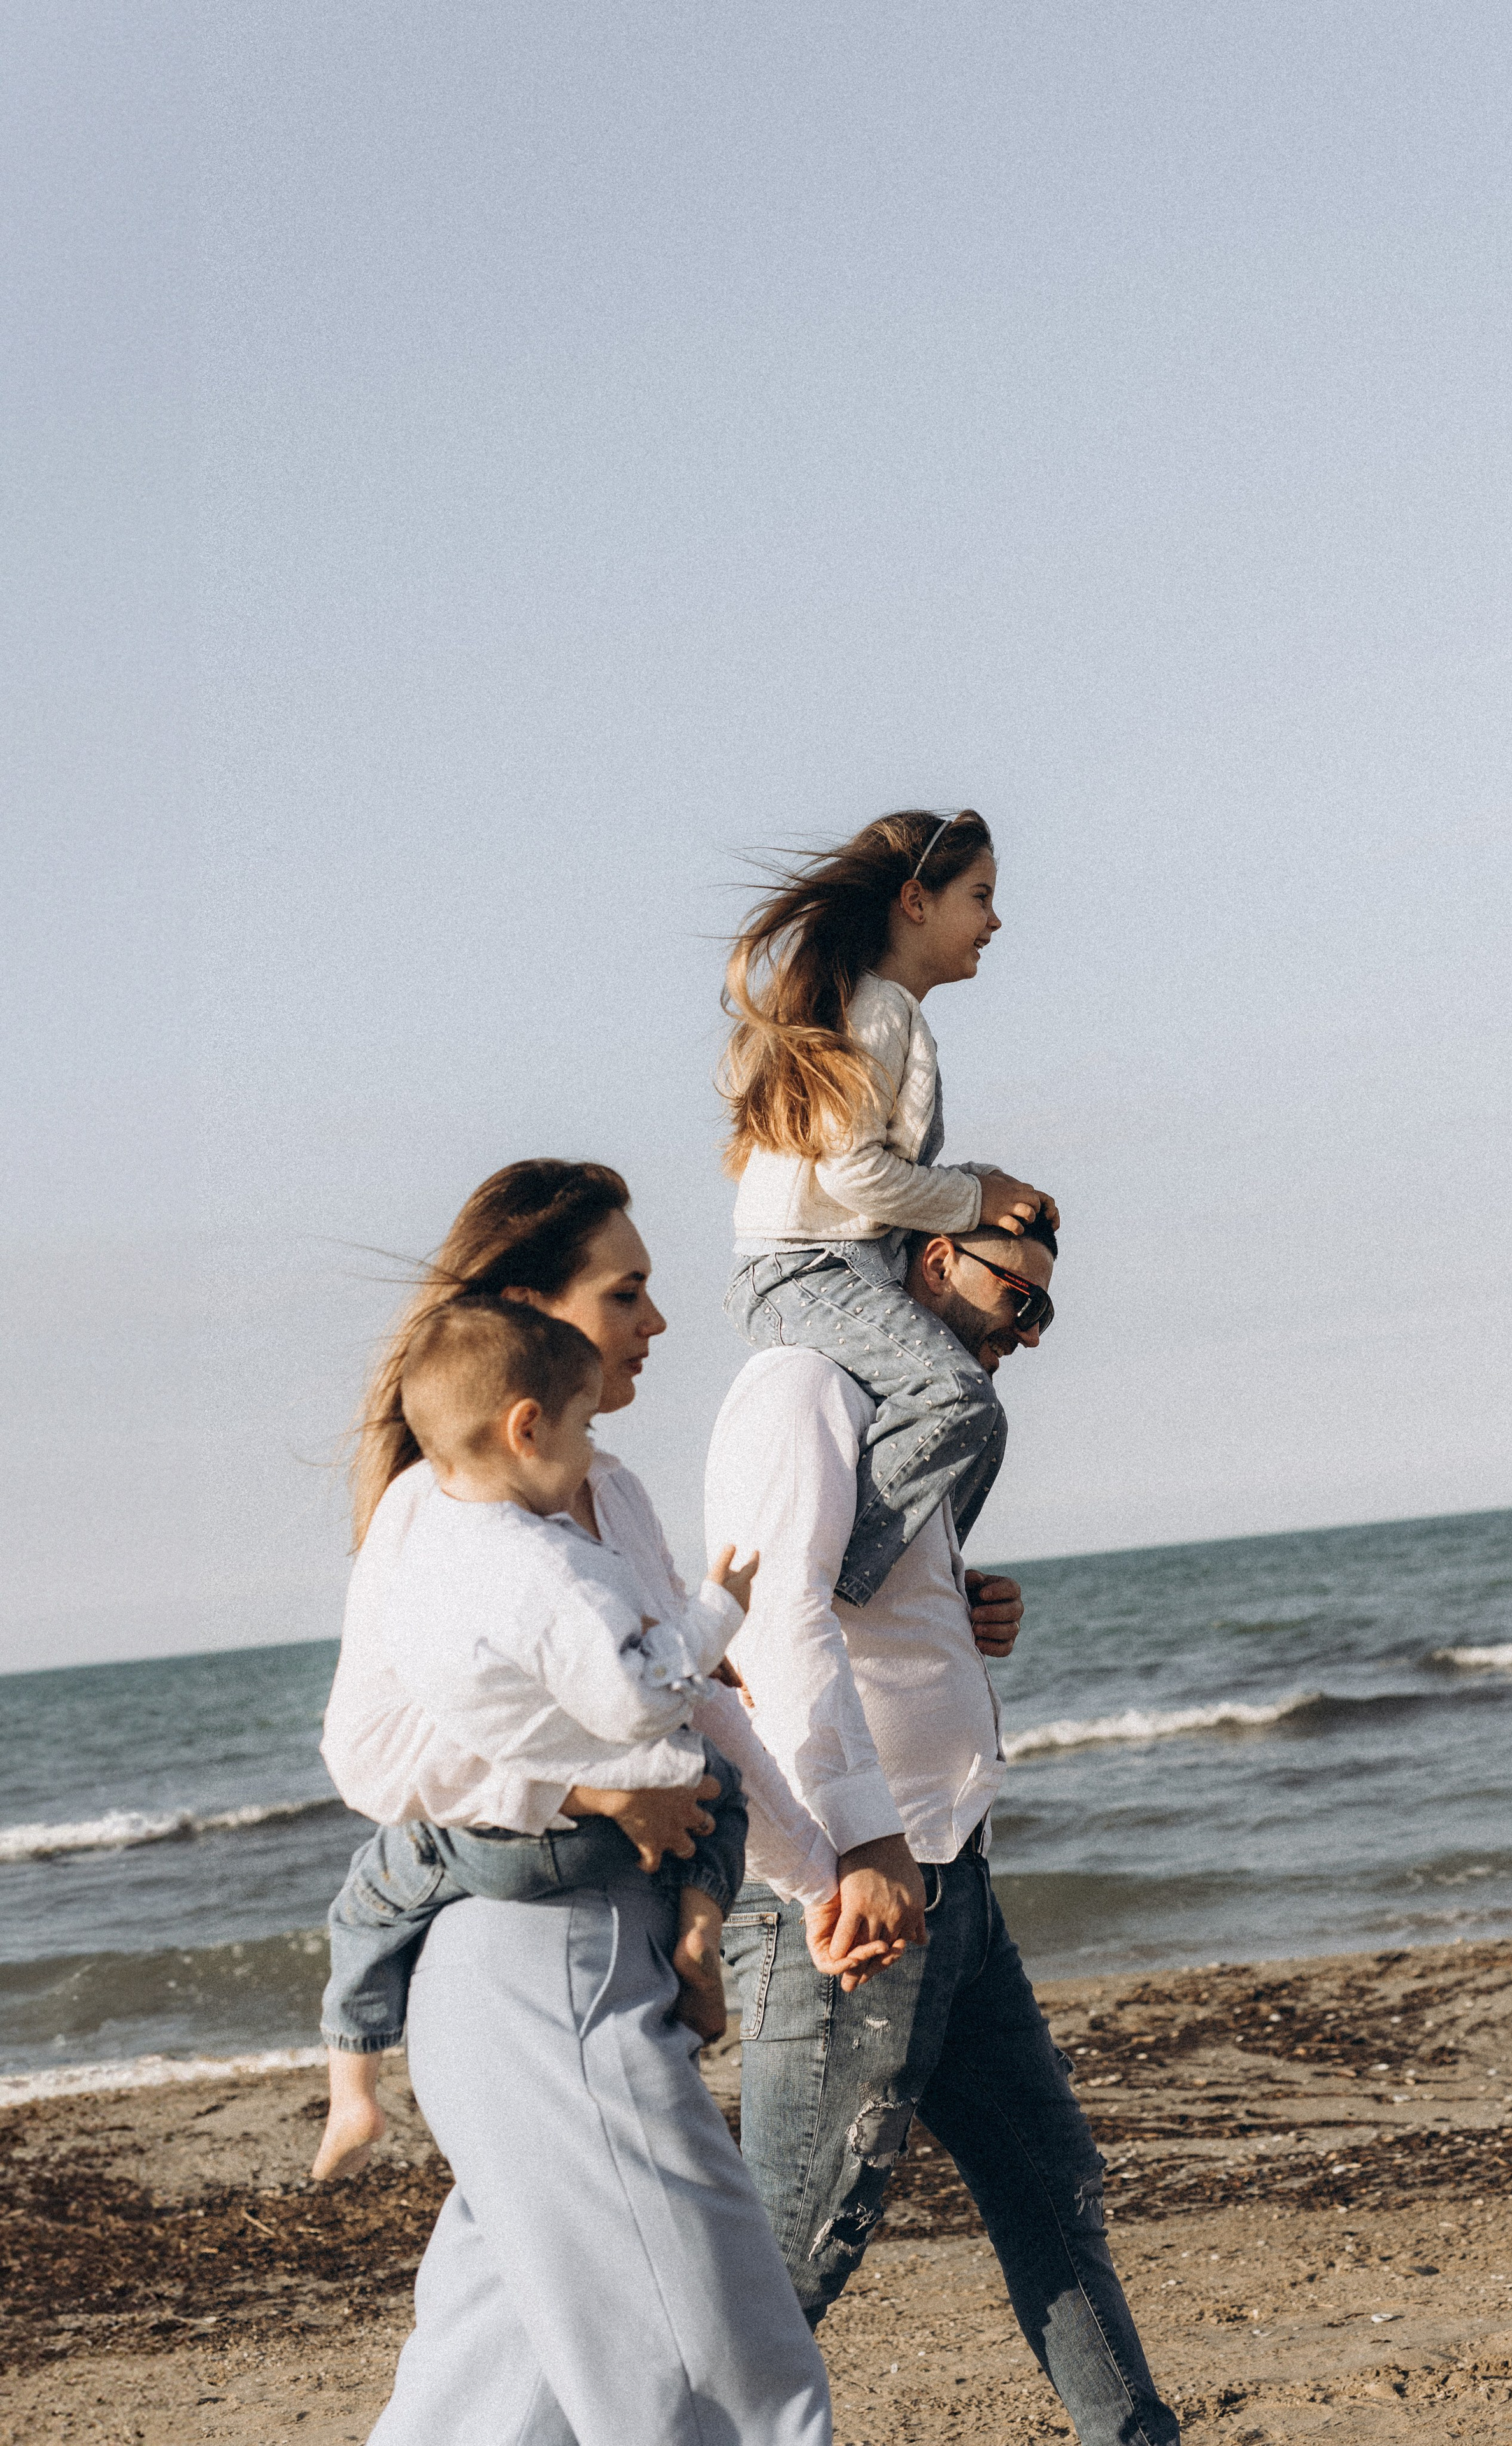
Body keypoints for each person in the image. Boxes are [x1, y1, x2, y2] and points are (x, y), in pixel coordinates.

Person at [324, 1161, 859, 2446]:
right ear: (529, 1318)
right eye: (626, 1294)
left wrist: (816, 1872)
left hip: (585, 1968)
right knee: (722, 2381)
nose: (655, 1323)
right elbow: (369, 1756)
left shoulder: (603, 1491)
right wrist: (594, 1790)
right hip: (537, 1974)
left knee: (492, 2395)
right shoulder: (430, 1517)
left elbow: (697, 1702)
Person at [708, 1215, 1183, 2446]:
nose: (1023, 1333)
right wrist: (856, 1848)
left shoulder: (899, 1407)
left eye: (1041, 1315)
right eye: (1013, 1299)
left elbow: (859, 1598)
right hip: (853, 1889)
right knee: (793, 2260)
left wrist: (959, 1607)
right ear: (929, 1263)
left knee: (1052, 2187)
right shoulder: (801, 1384)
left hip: (951, 1871)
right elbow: (775, 1621)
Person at [310, 1294, 765, 2185]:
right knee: (720, 1782)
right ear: (527, 1428)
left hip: (481, 1843)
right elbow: (640, 1700)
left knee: (369, 1897)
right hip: (577, 1844)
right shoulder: (550, 1565)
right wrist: (716, 1616)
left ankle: (353, 2084)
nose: (594, 1448)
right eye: (584, 1426)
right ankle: (701, 1930)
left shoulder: (430, 1548)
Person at [720, 808, 1058, 1606]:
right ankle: (831, 1591)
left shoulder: (883, 1010)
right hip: (802, 1272)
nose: (994, 920)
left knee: (984, 1425)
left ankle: (929, 1586)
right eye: (978, 897)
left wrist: (998, 1199)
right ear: (916, 900)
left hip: (834, 1266)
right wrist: (978, 1195)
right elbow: (856, 1179)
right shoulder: (877, 1010)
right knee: (953, 1396)